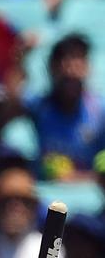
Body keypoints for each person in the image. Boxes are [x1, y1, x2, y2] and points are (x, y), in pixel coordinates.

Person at [26, 33, 105, 181]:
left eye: (78, 61)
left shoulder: (100, 110)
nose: (70, 70)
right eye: (64, 62)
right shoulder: (38, 106)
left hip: (94, 194)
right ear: (52, 68)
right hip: (46, 193)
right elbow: (9, 103)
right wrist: (19, 59)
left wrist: (76, 178)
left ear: (88, 67)